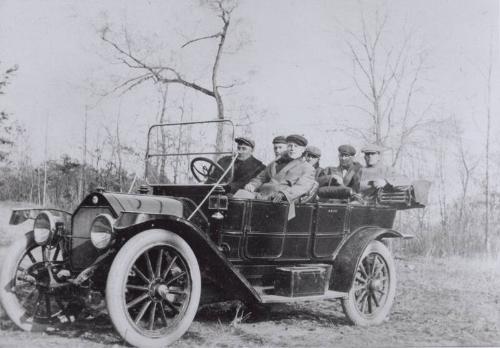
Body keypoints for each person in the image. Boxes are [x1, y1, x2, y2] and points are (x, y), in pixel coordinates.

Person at [244, 134, 315, 203]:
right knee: (239, 196)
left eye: (296, 146)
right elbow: (261, 177)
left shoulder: (307, 168)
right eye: (290, 146)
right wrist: (252, 185)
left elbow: (301, 187)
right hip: (261, 195)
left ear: (303, 150)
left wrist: (284, 194)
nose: (292, 149)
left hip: (279, 201)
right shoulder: (275, 162)